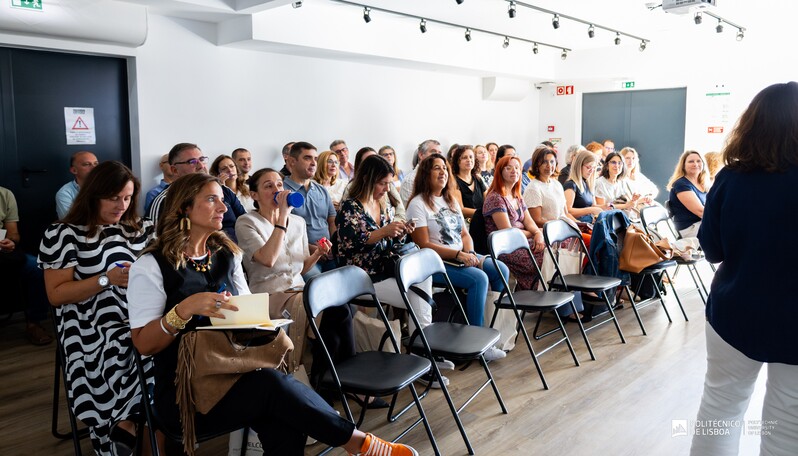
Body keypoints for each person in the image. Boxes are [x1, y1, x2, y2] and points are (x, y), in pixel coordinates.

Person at [127, 173, 417, 456]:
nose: (224, 207)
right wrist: (183, 310)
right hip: (187, 391)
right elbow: (143, 343)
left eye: (222, 199)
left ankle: (362, 445)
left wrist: (262, 321)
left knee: (283, 418)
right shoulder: (153, 265)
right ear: (184, 209)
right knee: (272, 388)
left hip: (234, 369)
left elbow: (245, 311)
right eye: (212, 199)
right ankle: (360, 444)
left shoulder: (225, 254)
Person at [690, 82, 798, 456]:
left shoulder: (731, 178)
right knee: (788, 425)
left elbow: (713, 249)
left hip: (735, 309)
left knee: (720, 410)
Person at [39, 161, 156, 455]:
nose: (122, 205)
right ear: (93, 194)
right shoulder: (62, 234)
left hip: (139, 311)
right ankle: (128, 423)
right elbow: (56, 294)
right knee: (130, 346)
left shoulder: (141, 229)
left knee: (171, 338)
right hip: (88, 323)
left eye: (127, 197)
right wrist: (107, 279)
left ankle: (131, 424)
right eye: (113, 197)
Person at [235, 168, 363, 394]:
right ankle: (340, 384)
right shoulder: (247, 222)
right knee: (336, 315)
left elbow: (299, 268)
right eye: (268, 186)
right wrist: (282, 217)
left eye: (279, 185)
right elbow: (268, 259)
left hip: (299, 290)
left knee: (339, 315)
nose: (277, 190)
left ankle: (330, 383)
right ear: (254, 195)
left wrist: (316, 255)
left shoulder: (297, 222)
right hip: (270, 296)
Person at [335, 156, 442, 387]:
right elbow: (352, 244)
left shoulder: (382, 203)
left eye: (388, 183)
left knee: (422, 281)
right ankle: (424, 355)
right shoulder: (350, 206)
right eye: (382, 183)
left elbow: (388, 242)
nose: (387, 189)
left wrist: (402, 232)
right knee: (418, 296)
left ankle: (423, 354)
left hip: (383, 269)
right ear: (367, 179)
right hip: (360, 277)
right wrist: (385, 231)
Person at [406, 154, 509, 361]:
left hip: (461, 254)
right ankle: (477, 343)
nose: (443, 172)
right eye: (436, 168)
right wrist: (458, 254)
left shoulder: (450, 199)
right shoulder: (417, 204)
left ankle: (493, 330)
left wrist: (470, 253)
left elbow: (464, 234)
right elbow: (423, 244)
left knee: (500, 270)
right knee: (479, 279)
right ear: (426, 173)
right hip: (436, 263)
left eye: (444, 168)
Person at [148, 143, 246, 241]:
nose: (201, 166)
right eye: (192, 162)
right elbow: (155, 242)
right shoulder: (165, 200)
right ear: (175, 170)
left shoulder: (223, 190)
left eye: (202, 159)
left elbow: (246, 222)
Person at [483, 155, 546, 291]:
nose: (514, 171)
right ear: (500, 171)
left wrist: (537, 234)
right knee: (547, 256)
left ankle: (556, 296)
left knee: (558, 246)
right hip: (507, 248)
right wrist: (534, 233)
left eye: (517, 168)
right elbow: (509, 232)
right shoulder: (495, 198)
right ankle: (539, 295)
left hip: (523, 241)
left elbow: (528, 220)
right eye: (509, 168)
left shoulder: (516, 195)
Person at [0, 186, 52, 345]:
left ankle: (34, 323)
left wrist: (11, 241)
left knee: (37, 268)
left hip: (2, 251)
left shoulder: (5, 194)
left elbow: (13, 233)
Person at [523, 145, 579, 228]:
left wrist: (579, 224)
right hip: (549, 232)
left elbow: (565, 214)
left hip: (563, 228)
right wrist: (561, 225)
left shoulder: (557, 184)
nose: (549, 166)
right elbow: (536, 221)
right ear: (537, 165)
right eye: (545, 162)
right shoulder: (533, 188)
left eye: (552, 162)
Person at [666, 150, 709, 238]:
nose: (695, 164)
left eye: (698, 161)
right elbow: (701, 212)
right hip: (690, 229)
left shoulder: (703, 183)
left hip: (701, 223)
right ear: (683, 166)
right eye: (691, 161)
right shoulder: (681, 184)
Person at [563, 150, 609, 223]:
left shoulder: (588, 184)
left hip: (589, 222)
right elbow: (567, 211)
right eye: (588, 167)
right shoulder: (571, 185)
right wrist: (590, 210)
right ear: (579, 166)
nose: (591, 171)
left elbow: (593, 205)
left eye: (594, 168)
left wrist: (605, 207)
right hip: (579, 224)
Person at [594, 151, 641, 218]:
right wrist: (625, 205)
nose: (617, 165)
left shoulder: (622, 182)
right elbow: (602, 209)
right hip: (608, 219)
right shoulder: (600, 183)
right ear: (607, 165)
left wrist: (633, 201)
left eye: (620, 163)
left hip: (624, 218)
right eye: (613, 162)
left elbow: (628, 204)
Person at [55, 150, 99, 219]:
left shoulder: (107, 186)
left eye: (96, 164)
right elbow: (69, 221)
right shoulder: (65, 193)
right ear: (74, 170)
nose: (94, 168)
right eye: (87, 164)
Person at [400, 139, 443, 207]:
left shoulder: (442, 177)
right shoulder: (410, 180)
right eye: (433, 152)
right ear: (421, 155)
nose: (437, 156)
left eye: (439, 153)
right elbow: (412, 210)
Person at [450, 144, 487, 221]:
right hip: (466, 224)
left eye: (471, 157)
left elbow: (488, 200)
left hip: (483, 219)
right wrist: (484, 213)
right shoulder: (453, 181)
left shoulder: (478, 178)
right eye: (464, 158)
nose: (469, 160)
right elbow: (461, 209)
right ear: (457, 161)